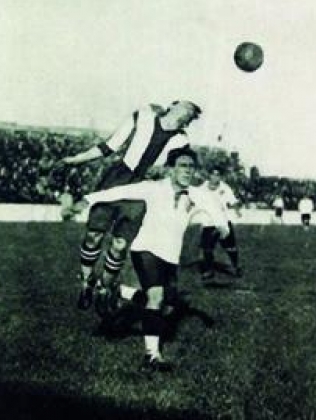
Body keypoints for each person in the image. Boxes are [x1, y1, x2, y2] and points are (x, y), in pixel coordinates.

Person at [66, 147, 229, 371]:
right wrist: (87, 200)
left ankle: (118, 290)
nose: (188, 171)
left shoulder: (197, 194)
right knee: (156, 297)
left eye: (191, 167)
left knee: (168, 307)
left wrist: (222, 228)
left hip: (171, 256)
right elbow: (118, 192)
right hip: (146, 249)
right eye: (183, 166)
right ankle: (152, 356)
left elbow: (216, 212)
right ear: (171, 169)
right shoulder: (153, 188)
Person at [59, 101, 202, 310]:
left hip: (143, 191)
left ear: (188, 121)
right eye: (185, 107)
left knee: (119, 245)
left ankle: (104, 288)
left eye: (190, 114)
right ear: (172, 105)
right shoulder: (142, 117)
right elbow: (108, 146)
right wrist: (77, 159)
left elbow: (174, 172)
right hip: (116, 179)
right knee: (94, 236)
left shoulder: (181, 141)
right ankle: (86, 282)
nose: (187, 112)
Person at [198, 166, 243, 280]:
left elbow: (233, 202)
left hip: (223, 221)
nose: (215, 177)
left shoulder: (225, 188)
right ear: (209, 175)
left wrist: (237, 210)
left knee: (230, 247)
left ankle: (236, 266)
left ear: (220, 176)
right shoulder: (202, 188)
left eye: (218, 175)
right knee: (207, 248)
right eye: (213, 174)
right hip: (209, 222)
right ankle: (209, 270)